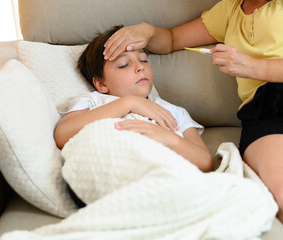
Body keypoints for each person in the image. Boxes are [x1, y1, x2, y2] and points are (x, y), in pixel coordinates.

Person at [102, 0, 283, 222]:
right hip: (261, 111)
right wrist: (147, 31)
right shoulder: (229, 10)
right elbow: (171, 40)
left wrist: (256, 67)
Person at [54, 25, 213, 173]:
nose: (141, 67)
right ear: (101, 83)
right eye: (124, 64)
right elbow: (62, 135)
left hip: (161, 173)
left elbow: (205, 163)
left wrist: (170, 139)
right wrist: (129, 103)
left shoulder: (175, 113)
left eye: (143, 59)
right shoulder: (93, 101)